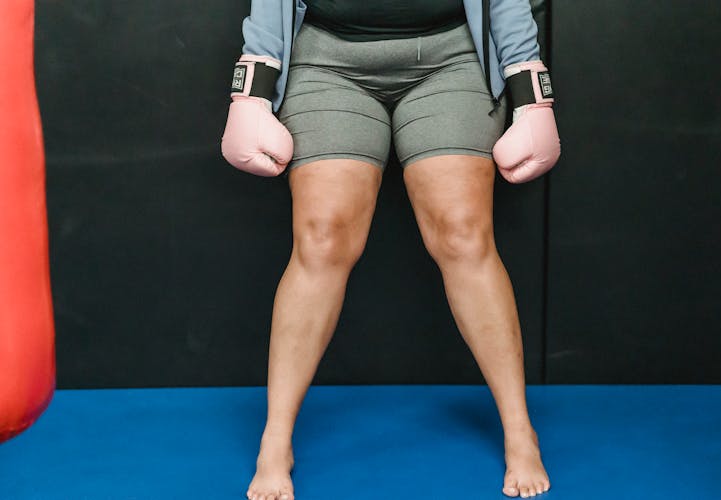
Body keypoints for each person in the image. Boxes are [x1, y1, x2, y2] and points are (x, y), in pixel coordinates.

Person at [221, 1, 561, 498]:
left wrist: (532, 96)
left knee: (463, 232)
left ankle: (519, 429)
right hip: (327, 54)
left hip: (453, 52)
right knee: (322, 237)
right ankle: (275, 439)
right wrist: (250, 93)